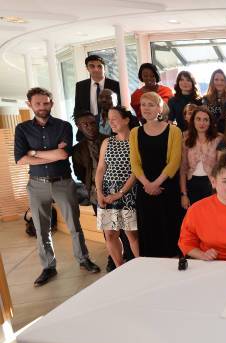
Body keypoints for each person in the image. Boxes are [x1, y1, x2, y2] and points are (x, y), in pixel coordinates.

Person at [14, 87, 100, 286]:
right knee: (41, 229)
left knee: (74, 226)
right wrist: (45, 153)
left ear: (51, 103)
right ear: (30, 105)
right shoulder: (22, 129)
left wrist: (33, 153)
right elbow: (20, 159)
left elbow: (63, 155)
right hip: (36, 185)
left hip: (63, 182)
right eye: (38, 103)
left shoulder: (63, 126)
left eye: (46, 103)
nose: (42, 107)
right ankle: (48, 267)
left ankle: (83, 259)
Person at [129, 92, 182, 257]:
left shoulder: (174, 131)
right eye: (143, 104)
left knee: (170, 233)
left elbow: (174, 162)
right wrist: (147, 184)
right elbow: (135, 164)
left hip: (167, 189)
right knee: (149, 234)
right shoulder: (135, 132)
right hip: (145, 191)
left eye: (151, 104)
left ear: (160, 108)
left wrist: (156, 183)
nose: (146, 108)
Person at [94, 106, 139, 269]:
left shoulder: (135, 140)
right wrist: (99, 192)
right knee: (110, 234)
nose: (110, 122)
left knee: (131, 234)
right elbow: (100, 168)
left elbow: (136, 172)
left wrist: (120, 193)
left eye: (114, 118)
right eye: (109, 119)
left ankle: (143, 268)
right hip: (107, 192)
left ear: (126, 120)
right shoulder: (107, 141)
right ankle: (119, 268)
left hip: (127, 193)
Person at [180, 106, 221, 209]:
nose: (202, 123)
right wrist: (184, 194)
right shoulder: (186, 140)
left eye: (205, 120)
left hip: (212, 185)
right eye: (198, 119)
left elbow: (222, 167)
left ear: (210, 122)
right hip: (192, 184)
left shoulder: (219, 139)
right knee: (195, 219)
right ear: (193, 121)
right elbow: (183, 169)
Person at [203, 69, 226, 133]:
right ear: (212, 81)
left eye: (222, 80)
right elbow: (204, 117)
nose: (219, 82)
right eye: (216, 80)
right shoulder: (206, 99)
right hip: (211, 134)